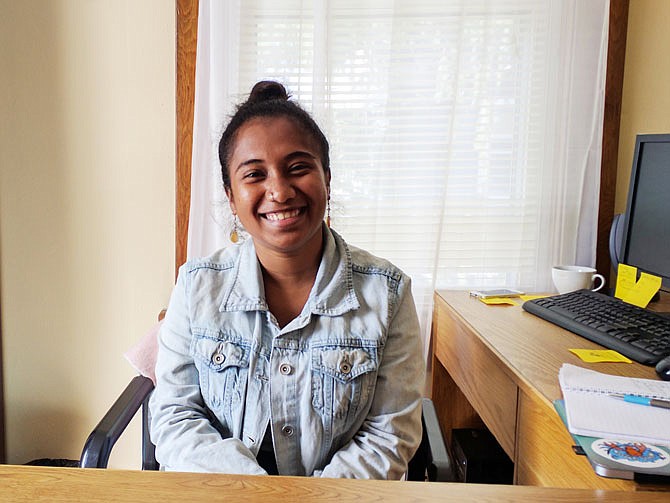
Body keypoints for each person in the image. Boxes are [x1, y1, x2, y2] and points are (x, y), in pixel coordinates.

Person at [149, 81, 425, 479]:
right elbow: (175, 416)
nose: (278, 190)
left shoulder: (387, 293)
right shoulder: (195, 287)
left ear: (327, 179)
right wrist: (258, 494)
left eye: (298, 168)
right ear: (231, 195)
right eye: (254, 174)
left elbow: (388, 436)